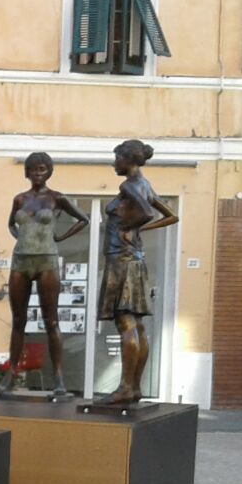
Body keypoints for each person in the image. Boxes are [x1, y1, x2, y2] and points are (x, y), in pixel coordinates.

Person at [0, 152, 89, 396]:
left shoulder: (56, 198)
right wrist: (21, 239)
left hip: (46, 259)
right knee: (18, 320)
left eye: (42, 169)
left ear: (49, 172)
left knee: (51, 320)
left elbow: (83, 219)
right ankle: (11, 373)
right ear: (26, 172)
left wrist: (59, 237)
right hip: (21, 261)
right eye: (33, 170)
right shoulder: (19, 199)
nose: (37, 174)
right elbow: (10, 224)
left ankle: (58, 377)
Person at [99, 139, 178, 405]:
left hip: (121, 259)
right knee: (138, 326)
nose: (114, 162)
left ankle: (125, 387)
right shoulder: (145, 185)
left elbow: (146, 213)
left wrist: (129, 227)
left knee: (126, 324)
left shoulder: (128, 185)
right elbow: (170, 216)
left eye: (116, 157)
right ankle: (134, 387)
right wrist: (140, 229)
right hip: (135, 258)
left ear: (127, 158)